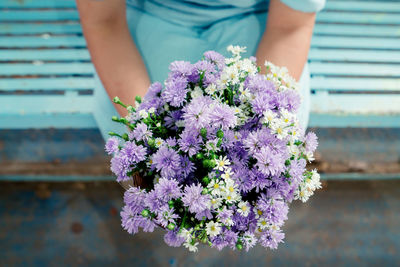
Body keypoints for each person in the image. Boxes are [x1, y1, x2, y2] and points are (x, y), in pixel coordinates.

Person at [77, 0, 325, 140]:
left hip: (261, 17)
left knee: (265, 156)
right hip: (150, 12)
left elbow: (289, 28)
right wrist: (148, 133)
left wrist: (257, 133)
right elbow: (104, 22)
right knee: (147, 160)